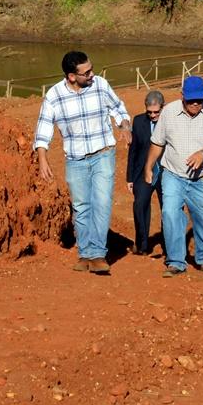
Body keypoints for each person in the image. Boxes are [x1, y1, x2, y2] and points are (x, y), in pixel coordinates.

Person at [32, 50, 131, 275]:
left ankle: (97, 253)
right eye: (86, 73)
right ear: (71, 76)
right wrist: (42, 158)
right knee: (81, 206)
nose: (92, 75)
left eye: (92, 69)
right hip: (75, 159)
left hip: (103, 153)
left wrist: (124, 125)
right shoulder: (55, 95)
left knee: (102, 202)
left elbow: (118, 108)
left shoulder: (101, 85)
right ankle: (85, 253)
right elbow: (44, 126)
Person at [145, 76, 203, 276]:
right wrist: (148, 167)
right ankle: (175, 261)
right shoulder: (168, 112)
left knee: (202, 218)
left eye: (199, 100)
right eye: (191, 99)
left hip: (201, 178)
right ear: (182, 95)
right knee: (170, 214)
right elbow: (158, 142)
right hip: (173, 174)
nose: (195, 104)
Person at [126, 90, 166, 257]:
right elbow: (133, 150)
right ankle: (142, 244)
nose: (153, 115)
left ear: (162, 108)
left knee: (169, 208)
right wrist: (130, 178)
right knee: (139, 205)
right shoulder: (138, 121)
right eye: (149, 112)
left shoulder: (170, 120)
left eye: (156, 112)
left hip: (166, 171)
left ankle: (168, 243)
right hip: (143, 171)